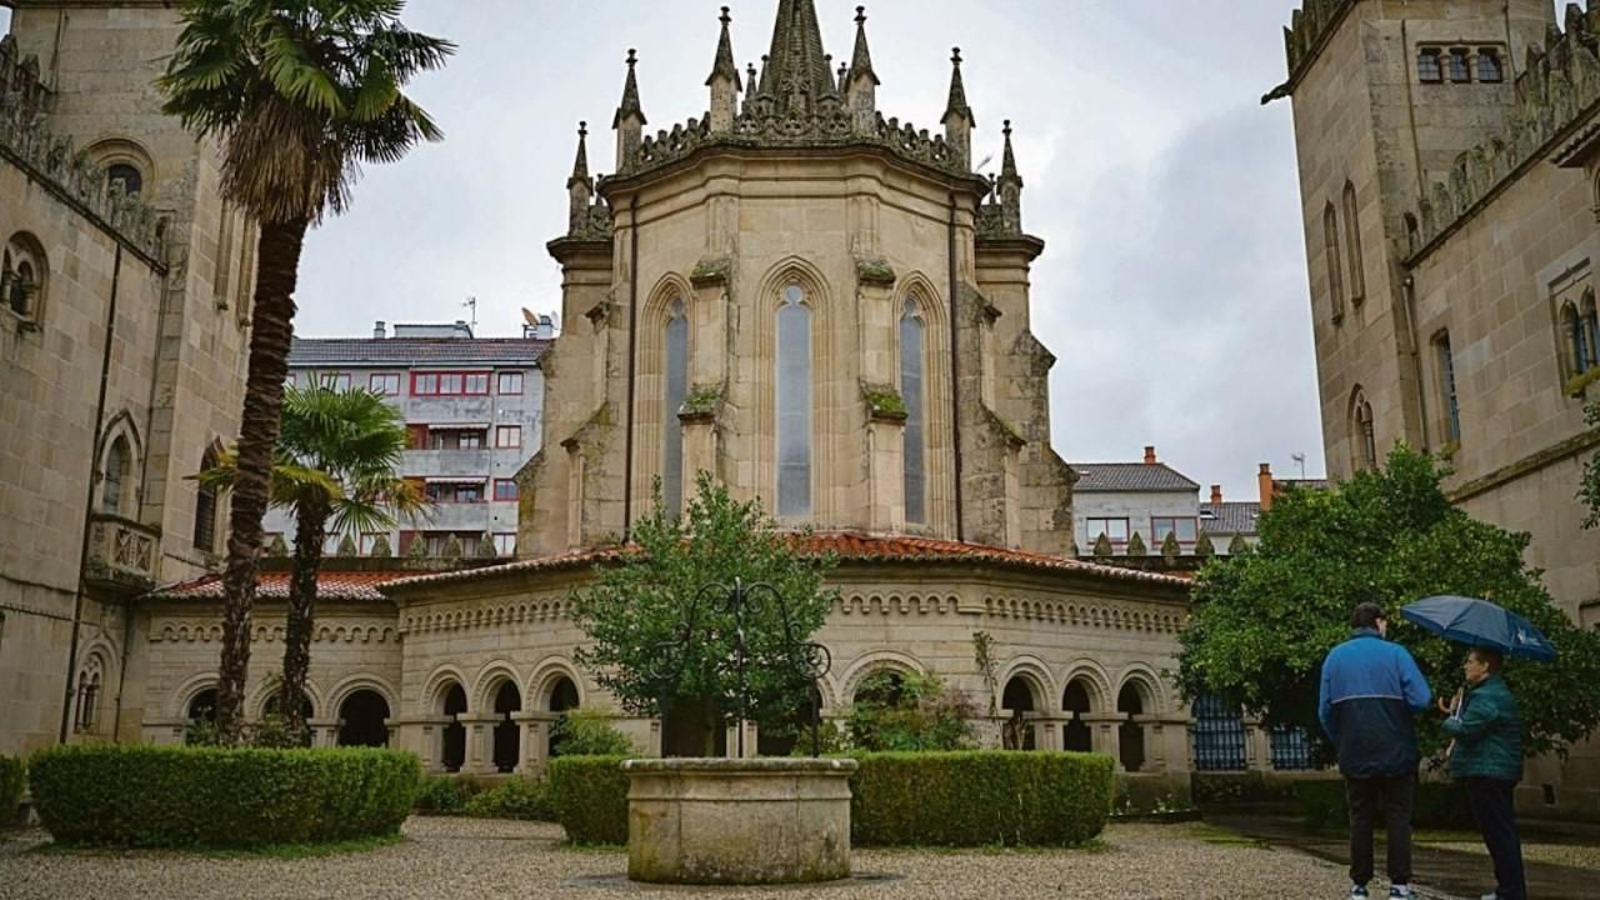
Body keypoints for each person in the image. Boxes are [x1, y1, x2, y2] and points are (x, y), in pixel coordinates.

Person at [1319, 602, 1433, 900]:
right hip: (1396, 750)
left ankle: (1359, 885)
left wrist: (1342, 739)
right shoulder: (1397, 654)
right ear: (1379, 622)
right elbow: (1421, 699)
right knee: (1398, 817)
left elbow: (1324, 711)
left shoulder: (1334, 658)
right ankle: (1399, 886)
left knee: (1360, 817)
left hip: (1354, 751)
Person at [1439, 647, 1526, 900]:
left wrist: (1450, 719)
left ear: (1485, 666)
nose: (1466, 666)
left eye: (1470, 662)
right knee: (1499, 833)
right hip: (1492, 770)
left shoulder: (1487, 696)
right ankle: (1508, 889)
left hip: (1489, 772)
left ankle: (1510, 892)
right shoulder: (1489, 693)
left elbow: (1467, 731)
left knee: (1499, 834)